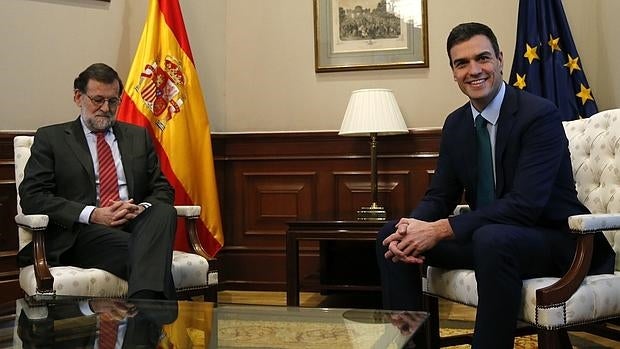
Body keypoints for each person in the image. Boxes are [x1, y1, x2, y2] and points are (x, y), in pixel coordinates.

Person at [375, 22, 615, 348]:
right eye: (462, 63)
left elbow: (525, 205)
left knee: (492, 238)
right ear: (453, 72)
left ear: (500, 59)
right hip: (493, 240)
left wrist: (440, 229)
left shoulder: (538, 115)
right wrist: (413, 227)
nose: (474, 70)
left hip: (560, 242)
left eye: (482, 58)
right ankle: (408, 346)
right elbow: (440, 194)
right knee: (390, 237)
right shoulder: (457, 124)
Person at [18, 63, 177, 300]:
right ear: (78, 97)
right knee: (152, 254)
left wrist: (138, 208)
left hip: (134, 224)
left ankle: (142, 326)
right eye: (98, 100)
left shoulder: (137, 137)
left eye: (113, 101)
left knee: (164, 212)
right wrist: (93, 214)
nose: (106, 108)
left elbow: (162, 188)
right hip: (83, 233)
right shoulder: (51, 138)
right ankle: (148, 325)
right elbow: (33, 197)